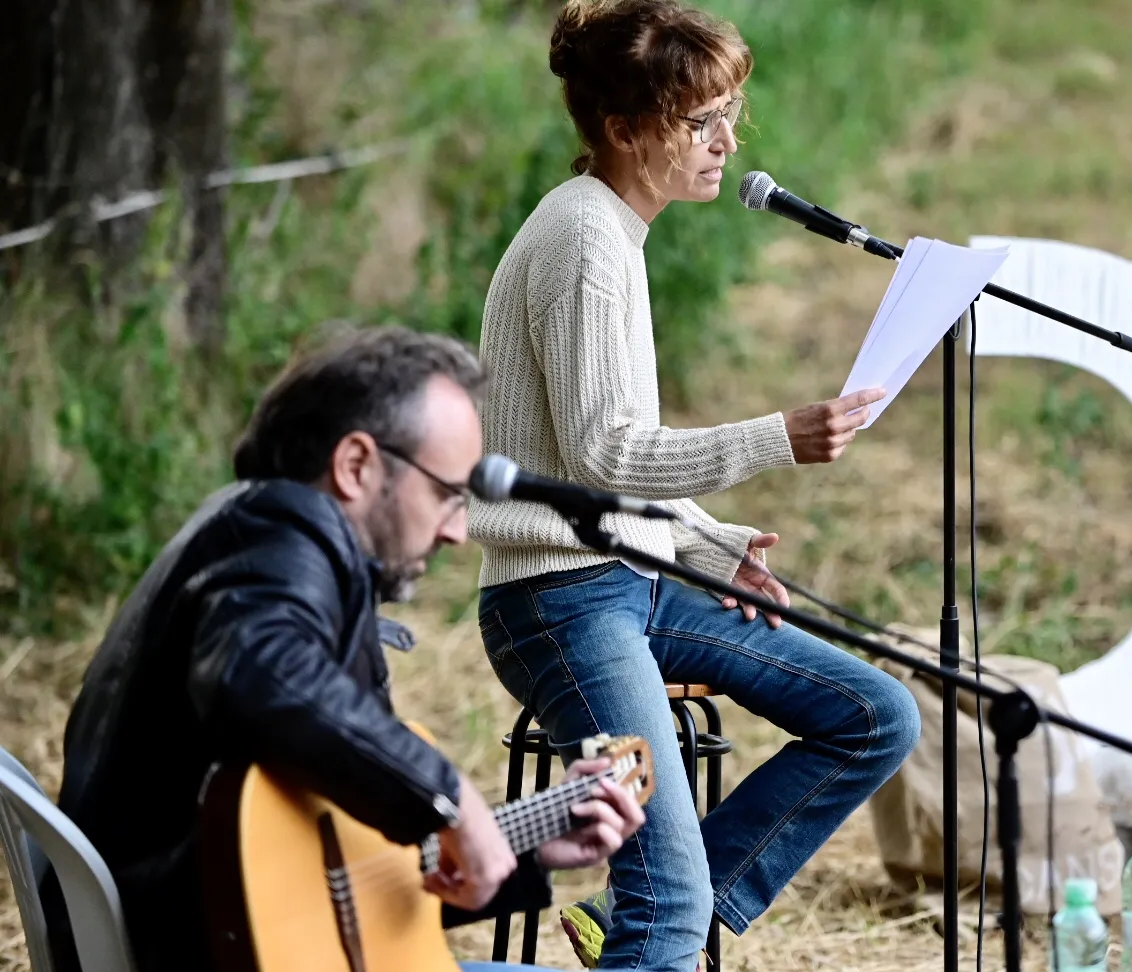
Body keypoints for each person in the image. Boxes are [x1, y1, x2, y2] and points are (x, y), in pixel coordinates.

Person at [470, 2, 922, 970]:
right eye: (699, 120)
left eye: (731, 113)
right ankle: (663, 918)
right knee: (669, 910)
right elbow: (604, 458)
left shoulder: (611, 232)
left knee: (876, 715)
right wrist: (776, 437)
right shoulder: (588, 244)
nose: (726, 141)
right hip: (556, 598)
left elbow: (593, 459)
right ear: (627, 130)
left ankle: (654, 916)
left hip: (623, 580)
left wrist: (713, 547)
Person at [42, 326, 644, 972]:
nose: (460, 531)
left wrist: (524, 844)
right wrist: (448, 799)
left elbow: (321, 891)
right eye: (447, 494)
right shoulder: (278, 538)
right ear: (356, 465)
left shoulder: (257, 543)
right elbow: (258, 672)